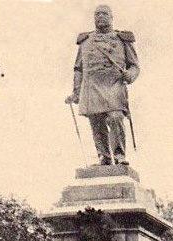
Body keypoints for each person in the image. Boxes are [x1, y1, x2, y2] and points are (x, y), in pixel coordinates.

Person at [64, 4, 140, 166]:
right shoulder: (85, 41)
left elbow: (134, 66)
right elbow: (78, 69)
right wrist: (76, 93)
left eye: (104, 14)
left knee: (115, 117)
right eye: (97, 14)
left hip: (114, 85)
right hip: (92, 87)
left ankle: (119, 155)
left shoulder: (122, 39)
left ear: (111, 17)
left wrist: (130, 75)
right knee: (97, 122)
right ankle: (104, 157)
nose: (100, 17)